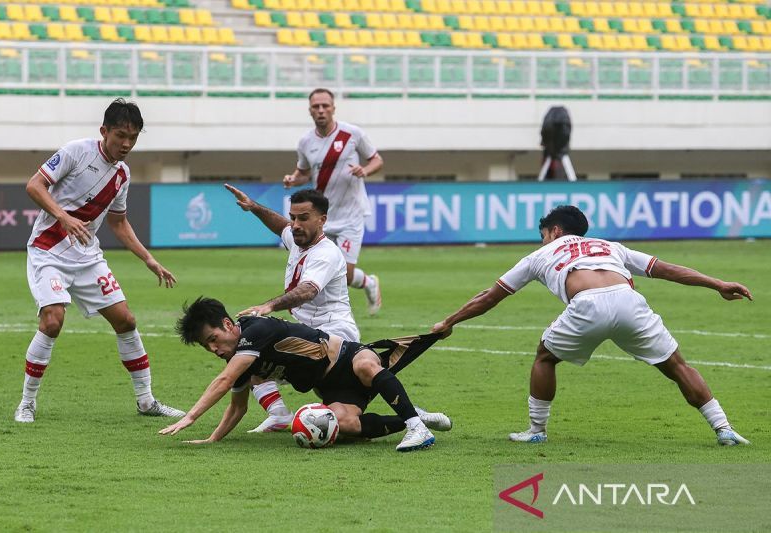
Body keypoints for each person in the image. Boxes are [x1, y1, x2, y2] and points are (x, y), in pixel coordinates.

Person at [432, 205, 752, 446]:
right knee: (676, 364)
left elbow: (489, 297)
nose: (542, 240)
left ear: (555, 231)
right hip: (629, 301)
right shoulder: (610, 246)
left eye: (543, 234)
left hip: (587, 304)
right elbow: (666, 269)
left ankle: (536, 431)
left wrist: (450, 321)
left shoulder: (539, 255)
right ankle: (723, 428)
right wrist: (718, 283)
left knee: (546, 356)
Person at [224, 185, 448, 434]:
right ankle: (278, 414)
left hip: (334, 337)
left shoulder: (326, 253)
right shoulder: (298, 238)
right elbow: (281, 227)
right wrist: (254, 207)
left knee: (256, 350)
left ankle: (412, 417)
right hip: (307, 335)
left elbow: (308, 290)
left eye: (303, 218)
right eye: (293, 217)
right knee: (257, 352)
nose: (295, 224)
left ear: (322, 220)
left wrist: (269, 305)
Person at [14, 98, 185, 423]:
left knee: (126, 321)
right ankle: (27, 402)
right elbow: (34, 185)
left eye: (133, 137)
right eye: (121, 135)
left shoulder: (122, 174)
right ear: (104, 131)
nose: (126, 144)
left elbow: (118, 222)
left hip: (87, 257)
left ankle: (146, 401)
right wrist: (63, 217)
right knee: (52, 321)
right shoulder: (76, 151)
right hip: (48, 250)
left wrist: (148, 260)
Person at [160, 297, 451, 452]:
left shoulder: (255, 330)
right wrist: (212, 440)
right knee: (344, 425)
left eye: (213, 338)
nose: (212, 348)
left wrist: (190, 417)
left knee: (366, 366)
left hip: (348, 358)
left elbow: (223, 382)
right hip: (331, 388)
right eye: (205, 346)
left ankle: (417, 428)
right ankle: (411, 416)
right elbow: (237, 408)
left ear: (228, 324)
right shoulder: (240, 358)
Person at [282, 88, 383, 315]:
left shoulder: (352, 134)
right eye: (316, 107)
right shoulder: (306, 142)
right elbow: (304, 173)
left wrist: (364, 170)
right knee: (315, 263)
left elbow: (377, 159)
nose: (321, 110)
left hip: (351, 214)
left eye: (325, 106)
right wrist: (293, 179)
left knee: (345, 274)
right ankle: (321, 310)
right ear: (310, 111)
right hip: (322, 216)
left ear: (333, 108)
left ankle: (368, 283)